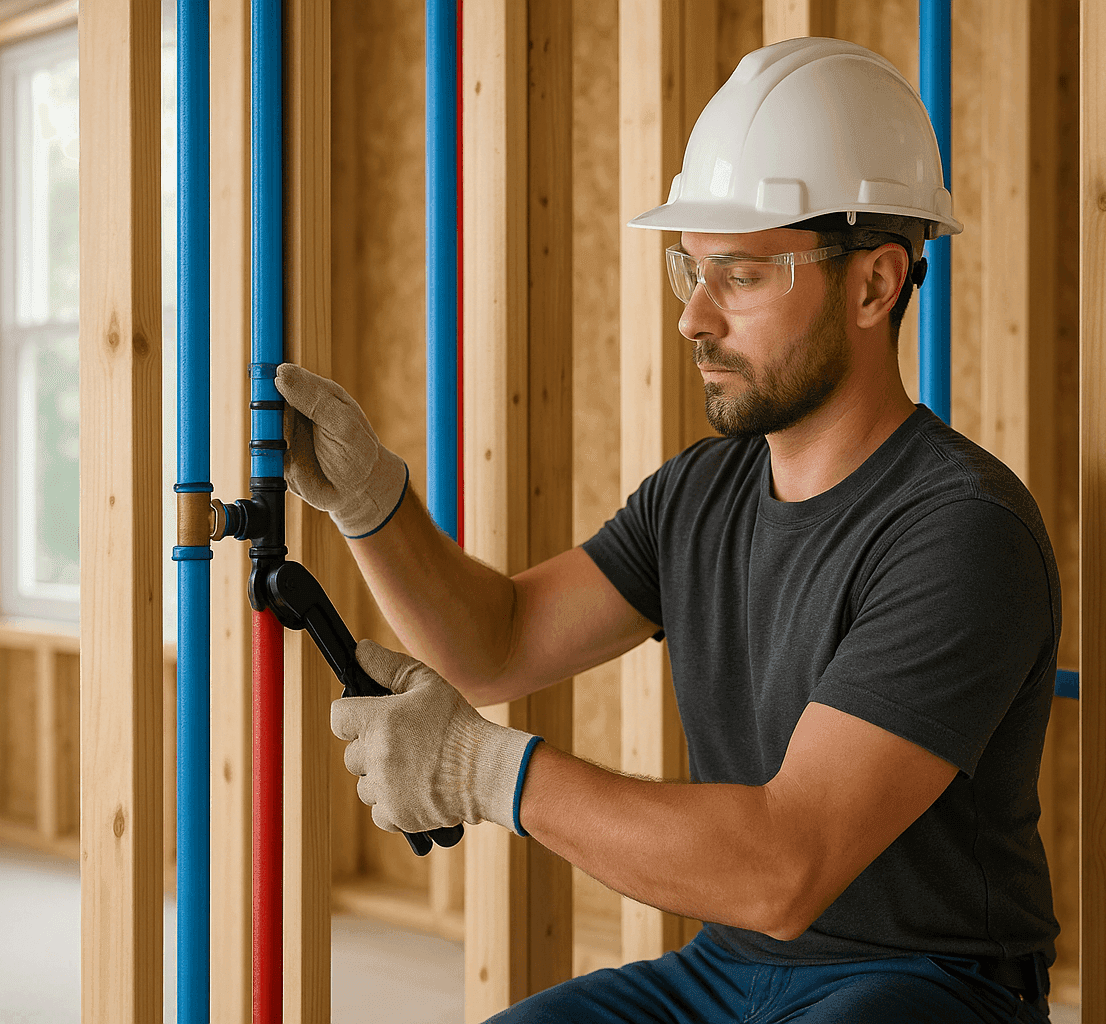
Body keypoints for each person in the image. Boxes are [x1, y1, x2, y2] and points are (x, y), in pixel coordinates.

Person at [277, 36, 1060, 1024]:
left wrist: (478, 768)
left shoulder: (960, 531)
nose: (693, 317)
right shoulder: (702, 494)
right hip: (726, 971)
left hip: (929, 985)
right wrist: (372, 505)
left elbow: (788, 862)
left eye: (740, 276)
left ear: (875, 285)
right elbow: (503, 641)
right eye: (690, 267)